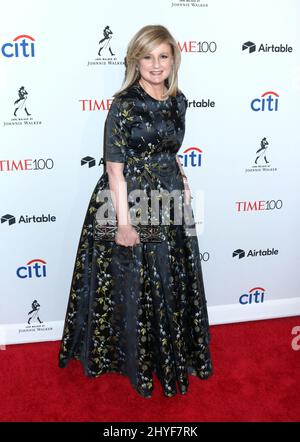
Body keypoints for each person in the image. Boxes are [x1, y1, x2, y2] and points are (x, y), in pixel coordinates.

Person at [58, 24, 213, 398]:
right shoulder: (123, 105)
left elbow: (169, 152)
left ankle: (169, 354)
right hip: (131, 202)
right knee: (135, 284)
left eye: (163, 56)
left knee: (169, 277)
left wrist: (184, 183)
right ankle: (134, 358)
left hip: (170, 199)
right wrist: (123, 225)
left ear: (174, 58)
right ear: (135, 60)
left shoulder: (179, 100)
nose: (156, 64)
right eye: (148, 56)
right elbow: (114, 168)